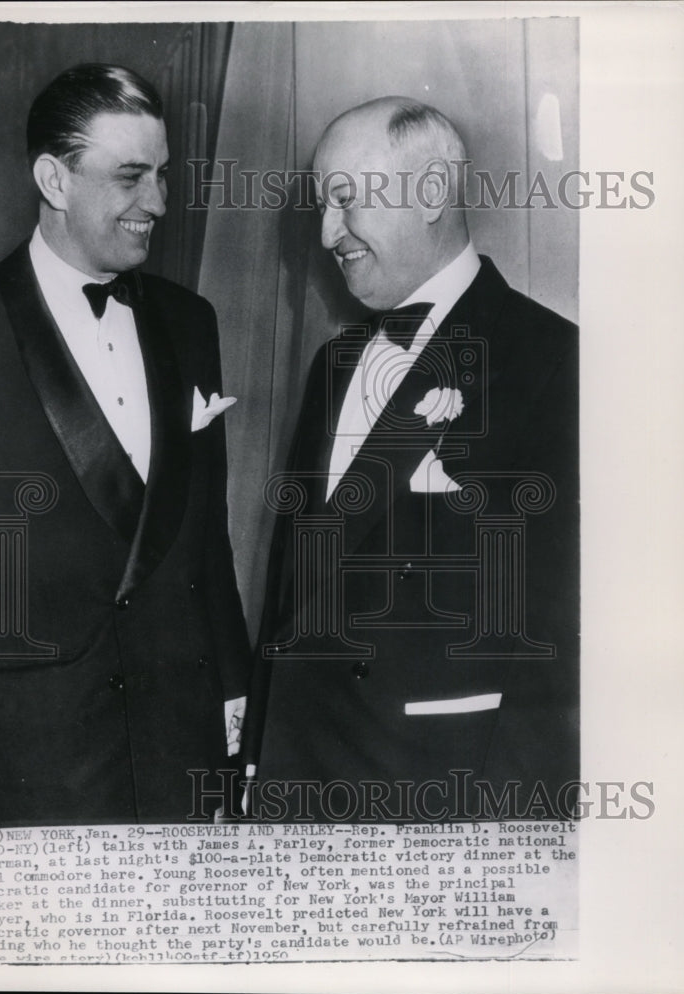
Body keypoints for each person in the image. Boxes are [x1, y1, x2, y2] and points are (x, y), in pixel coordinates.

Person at [244, 97, 579, 822]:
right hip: (293, 796)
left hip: (438, 800)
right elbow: (291, 588)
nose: (327, 233)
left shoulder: (553, 362)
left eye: (343, 200)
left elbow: (561, 650)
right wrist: (254, 765)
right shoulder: (332, 365)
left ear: (430, 191)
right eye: (320, 208)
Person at [0, 64, 251, 829]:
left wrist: (237, 698)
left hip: (185, 746)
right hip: (34, 760)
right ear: (54, 178)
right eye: (131, 177)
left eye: (163, 176)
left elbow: (206, 543)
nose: (159, 204)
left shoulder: (190, 321)